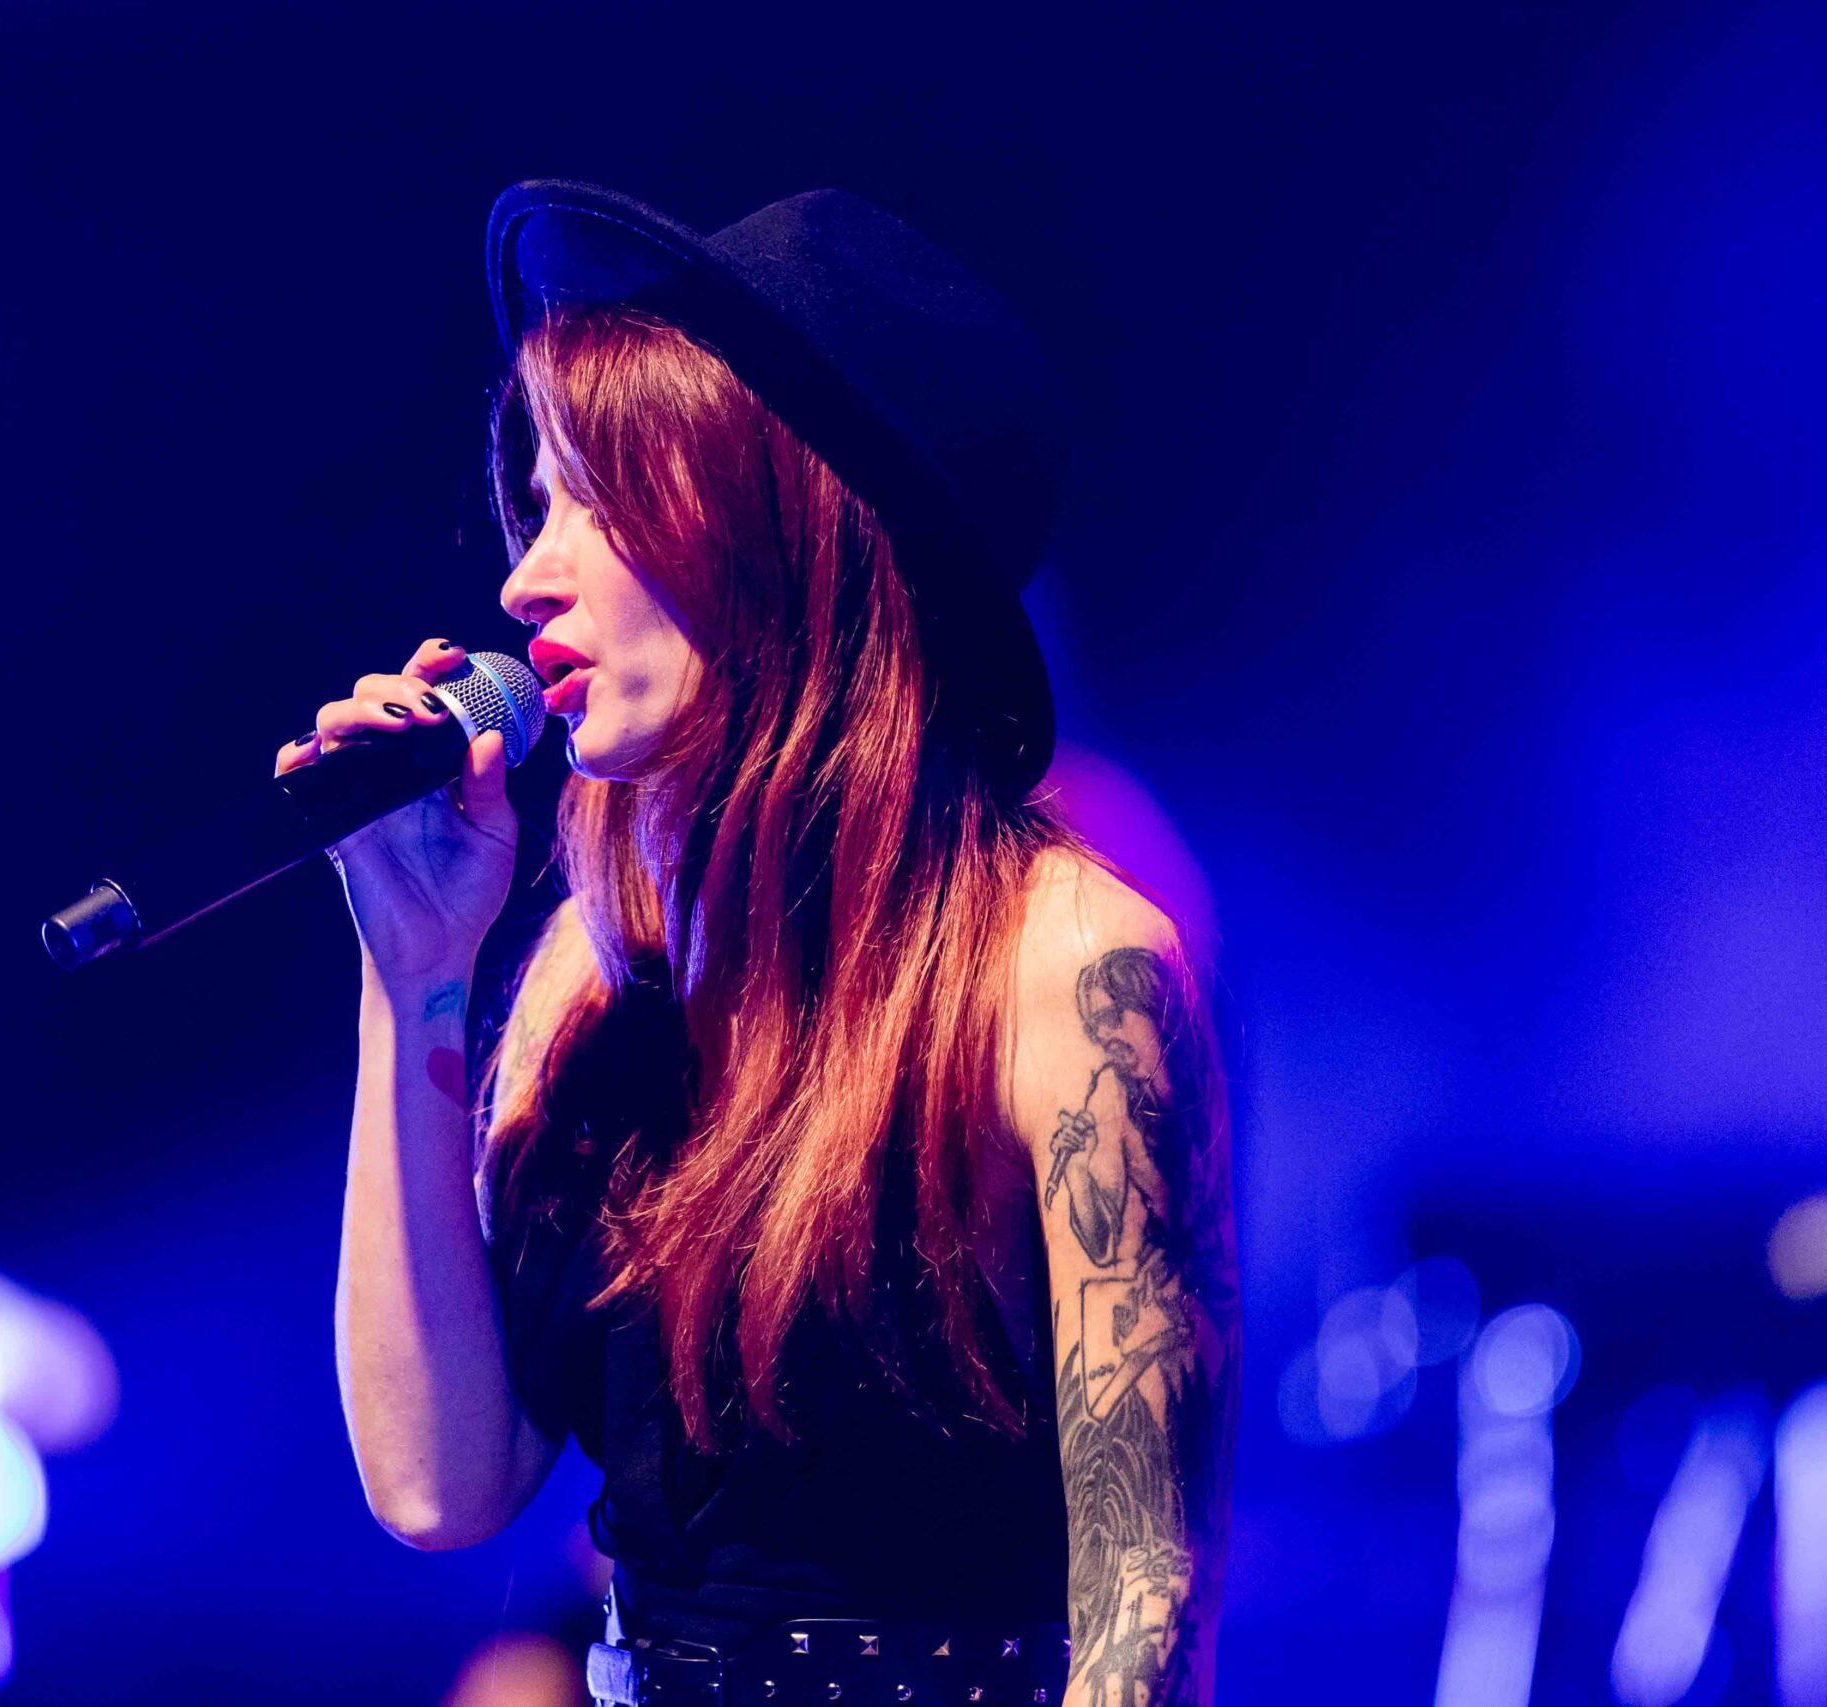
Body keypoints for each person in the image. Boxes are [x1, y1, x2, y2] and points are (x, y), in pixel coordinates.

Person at [284, 181, 1239, 1707]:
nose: (526, 576)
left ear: (776, 534)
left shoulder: (1068, 965)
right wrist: (411, 972)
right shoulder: (588, 981)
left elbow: (1146, 1610)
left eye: (598, 502)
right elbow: (438, 1485)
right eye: (539, 503)